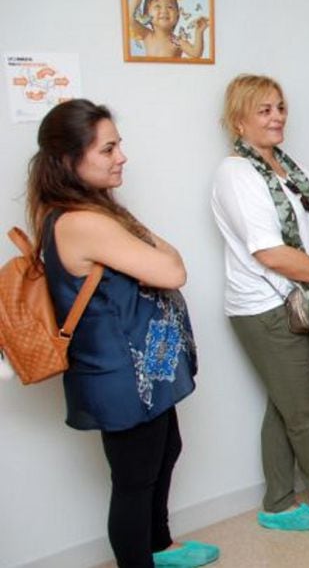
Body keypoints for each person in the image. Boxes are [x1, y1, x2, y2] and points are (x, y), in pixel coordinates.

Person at [28, 99, 217, 567]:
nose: (121, 157)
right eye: (107, 149)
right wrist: (129, 228)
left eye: (119, 145)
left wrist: (126, 225)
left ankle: (160, 546)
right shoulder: (83, 221)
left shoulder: (87, 213)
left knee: (165, 451)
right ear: (70, 161)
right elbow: (172, 269)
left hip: (139, 369)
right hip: (118, 376)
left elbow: (163, 264)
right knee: (134, 482)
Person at [210, 75, 309, 532]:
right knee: (304, 410)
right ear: (238, 120)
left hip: (299, 298)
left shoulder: (283, 164)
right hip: (264, 307)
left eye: (280, 107)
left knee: (286, 405)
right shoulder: (236, 173)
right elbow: (271, 252)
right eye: (264, 110)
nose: (277, 116)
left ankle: (278, 503)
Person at [127, 0, 209, 59]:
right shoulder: (147, 35)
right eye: (157, 6)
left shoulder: (176, 41)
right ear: (146, 14)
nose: (164, 11)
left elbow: (196, 54)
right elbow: (129, 19)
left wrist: (199, 32)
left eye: (170, 7)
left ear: (177, 15)